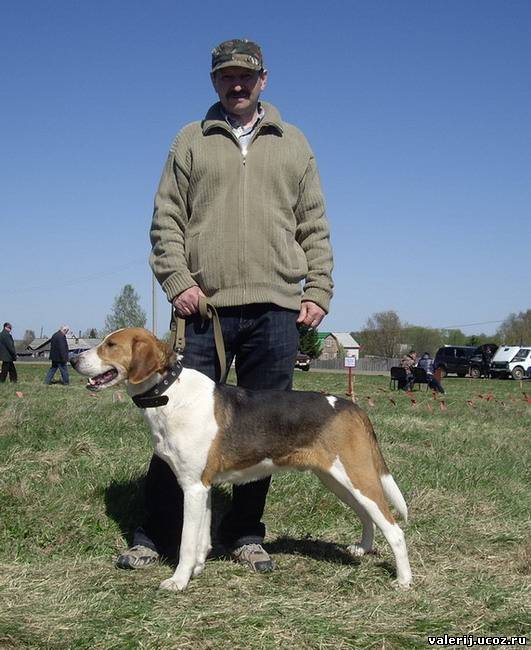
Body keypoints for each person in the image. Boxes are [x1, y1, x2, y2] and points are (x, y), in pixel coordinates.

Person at [117, 39, 333, 573]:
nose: (236, 85)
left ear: (264, 80)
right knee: (178, 425)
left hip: (276, 311)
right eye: (225, 77)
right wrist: (177, 280)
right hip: (202, 308)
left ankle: (245, 535)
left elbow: (315, 224)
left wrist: (318, 289)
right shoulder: (190, 140)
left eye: (246, 76)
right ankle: (157, 536)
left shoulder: (294, 142)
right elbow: (165, 220)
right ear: (214, 82)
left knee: (267, 428)